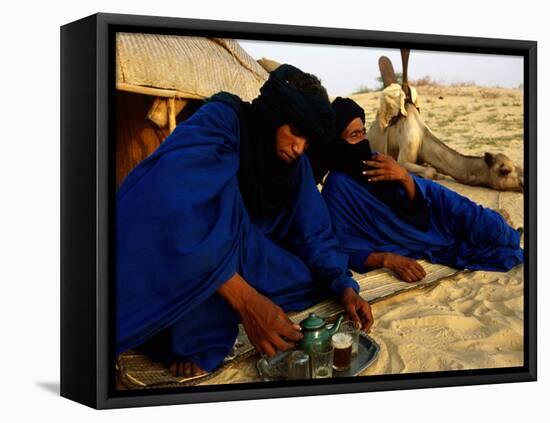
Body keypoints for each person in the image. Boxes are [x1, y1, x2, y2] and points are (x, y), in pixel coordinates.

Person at [116, 66, 373, 379]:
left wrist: (344, 285)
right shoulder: (221, 122)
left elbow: (315, 232)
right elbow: (167, 205)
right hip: (193, 247)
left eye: (308, 142)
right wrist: (247, 301)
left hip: (249, 254)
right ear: (275, 114)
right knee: (188, 302)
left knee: (316, 281)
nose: (298, 148)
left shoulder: (295, 165)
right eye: (296, 132)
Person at [320, 97, 524, 283]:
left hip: (435, 210)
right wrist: (388, 259)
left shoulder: (376, 160)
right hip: (419, 237)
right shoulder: (337, 188)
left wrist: (403, 177)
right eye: (354, 135)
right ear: (338, 141)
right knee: (502, 253)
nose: (363, 140)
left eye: (363, 132)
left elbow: (420, 201)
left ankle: (506, 229)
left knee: (494, 229)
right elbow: (341, 247)